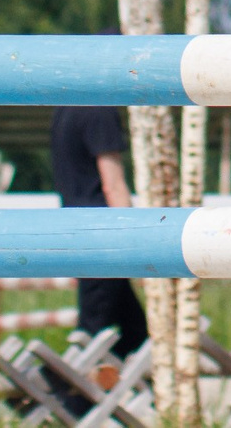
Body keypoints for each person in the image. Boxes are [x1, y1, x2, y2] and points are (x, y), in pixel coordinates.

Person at [51, 105, 148, 355]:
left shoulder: (64, 109)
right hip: (104, 236)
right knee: (94, 333)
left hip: (77, 229)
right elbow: (112, 184)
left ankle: (109, 386)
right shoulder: (100, 111)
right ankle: (68, 391)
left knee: (135, 330)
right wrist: (134, 239)